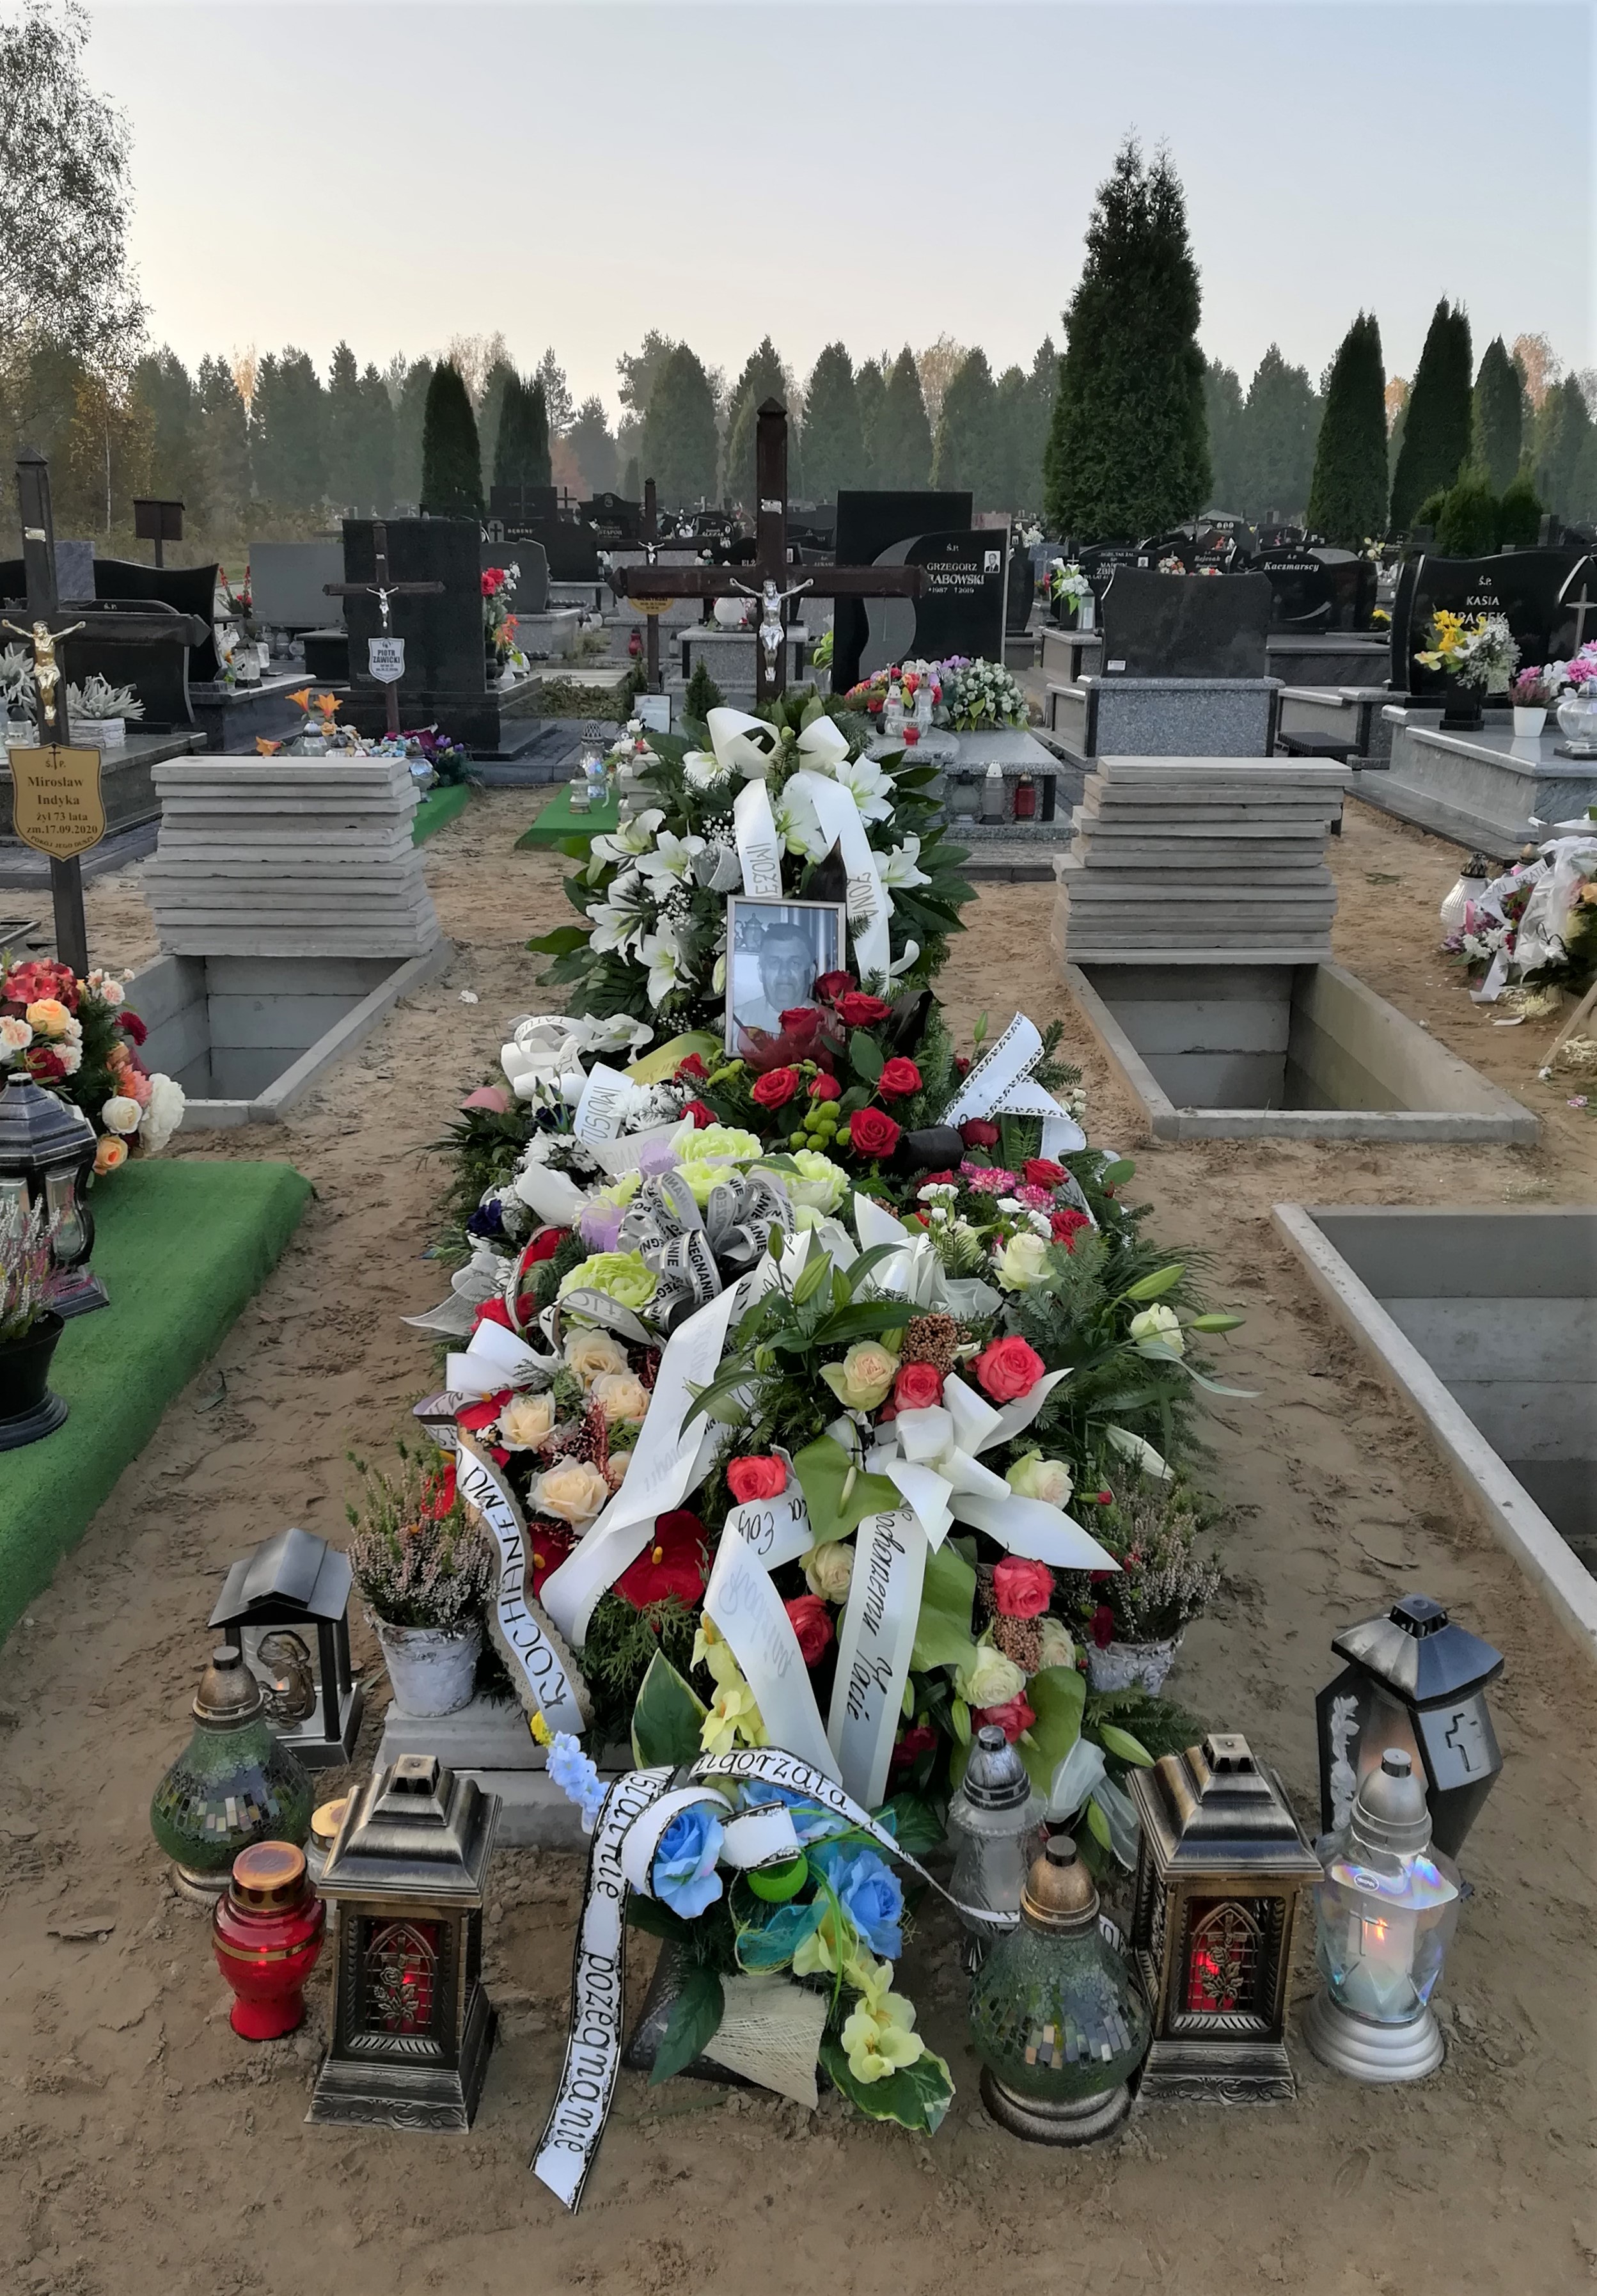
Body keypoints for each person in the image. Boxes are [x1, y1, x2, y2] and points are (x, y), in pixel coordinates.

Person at [734, 913, 824, 1037]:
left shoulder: (831, 1024)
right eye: (775, 963)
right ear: (761, 971)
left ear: (812, 973)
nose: (784, 972)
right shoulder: (736, 1021)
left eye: (794, 963)